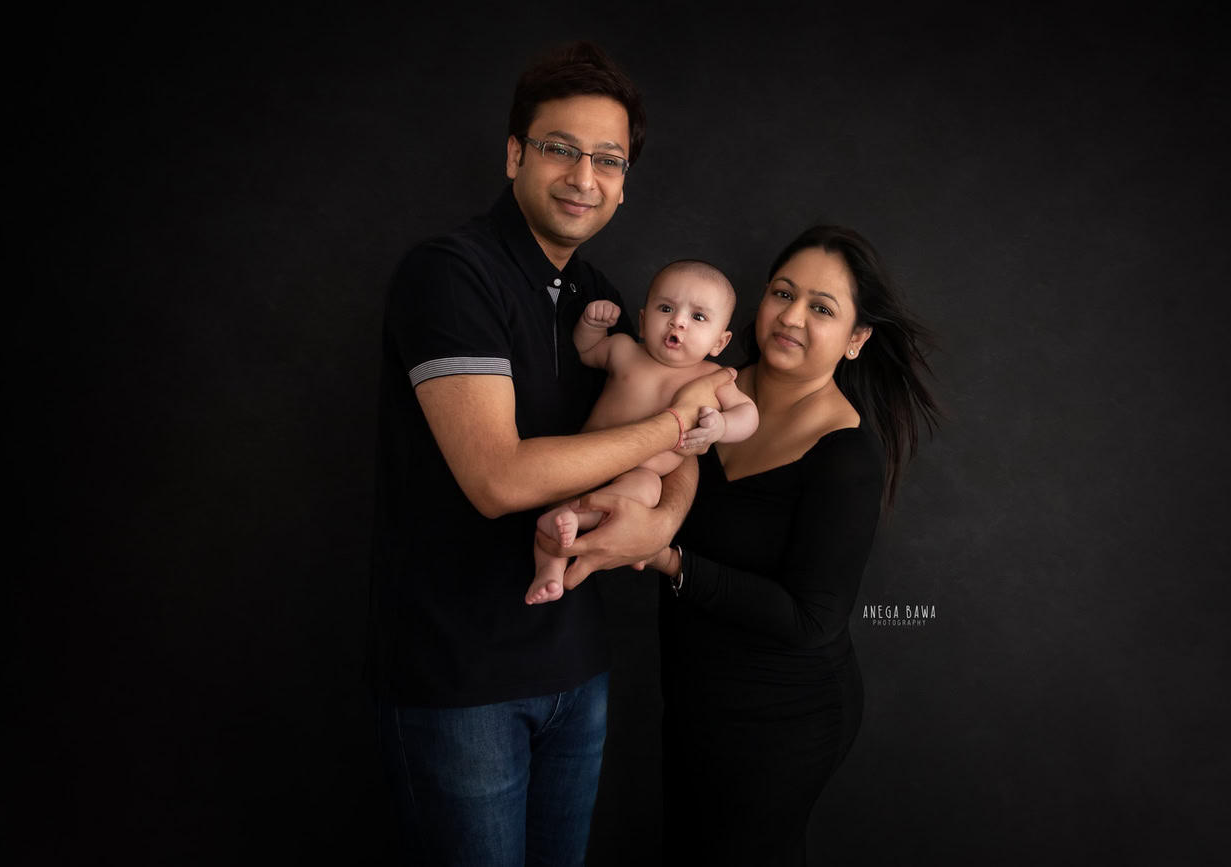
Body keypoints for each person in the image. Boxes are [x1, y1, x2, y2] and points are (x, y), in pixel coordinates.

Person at [364, 43, 732, 864]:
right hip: (462, 682)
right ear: (514, 153)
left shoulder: (598, 296)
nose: (583, 176)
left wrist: (660, 521)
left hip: (576, 668)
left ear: (625, 180)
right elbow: (498, 480)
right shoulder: (452, 275)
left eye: (608, 158)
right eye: (560, 147)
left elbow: (685, 444)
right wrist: (676, 428)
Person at [641, 225, 940, 865]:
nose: (791, 316)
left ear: (857, 340)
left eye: (822, 308)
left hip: (783, 714)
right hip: (694, 694)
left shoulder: (846, 453)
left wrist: (666, 556)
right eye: (783, 292)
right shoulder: (701, 385)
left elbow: (814, 619)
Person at [526, 260, 759, 605]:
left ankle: (575, 522)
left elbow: (749, 414)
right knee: (558, 495)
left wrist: (721, 426)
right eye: (666, 307)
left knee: (648, 489)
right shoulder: (624, 350)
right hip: (585, 457)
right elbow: (586, 352)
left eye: (698, 317)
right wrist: (591, 326)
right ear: (643, 319)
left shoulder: (711, 377)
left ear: (719, 342)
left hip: (640, 472)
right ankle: (548, 569)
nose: (677, 320)